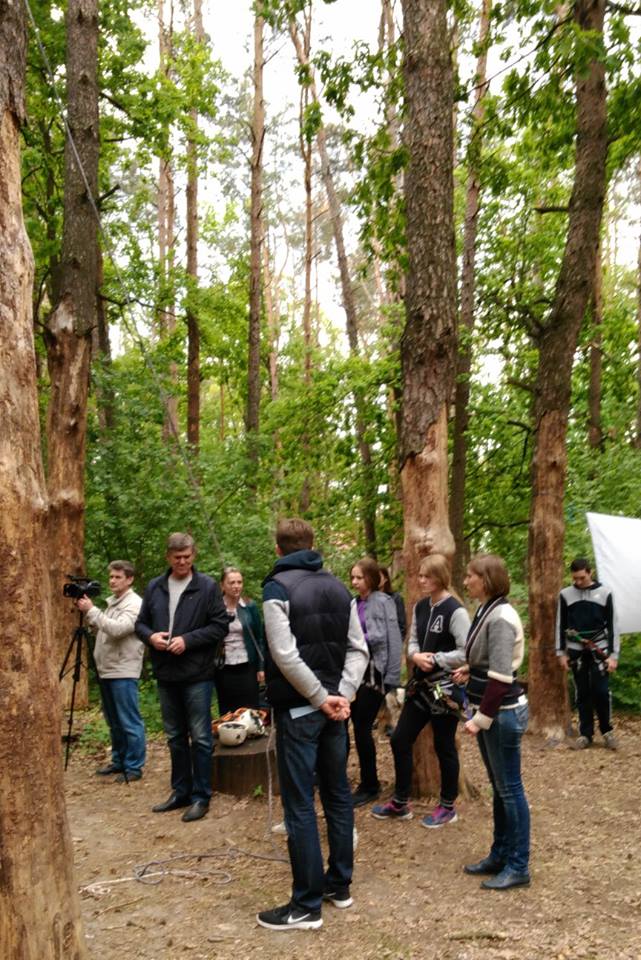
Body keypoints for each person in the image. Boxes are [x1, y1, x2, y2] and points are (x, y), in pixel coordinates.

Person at [257, 518, 368, 931]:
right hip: (331, 710)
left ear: (279, 550)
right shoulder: (339, 587)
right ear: (312, 545)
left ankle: (307, 905)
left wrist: (331, 698)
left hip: (307, 714)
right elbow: (359, 650)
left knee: (303, 804)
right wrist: (341, 696)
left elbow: (283, 656)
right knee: (337, 796)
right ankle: (336, 886)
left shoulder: (277, 589)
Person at [135, 532, 229, 822]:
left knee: (200, 737)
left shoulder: (207, 586)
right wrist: (151, 637)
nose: (182, 562)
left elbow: (219, 626)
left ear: (194, 555)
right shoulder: (155, 587)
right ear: (168, 557)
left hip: (197, 673)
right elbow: (140, 624)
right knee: (175, 736)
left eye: (187, 557)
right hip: (166, 673)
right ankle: (180, 791)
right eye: (177, 558)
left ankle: (201, 796)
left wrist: (187, 640)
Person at [372, 554, 470, 826]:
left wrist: (437, 659)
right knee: (400, 738)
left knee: (444, 745)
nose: (422, 580)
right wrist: (415, 657)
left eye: (428, 576)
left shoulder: (456, 611)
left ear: (441, 577)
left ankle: (448, 806)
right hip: (420, 687)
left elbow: (467, 652)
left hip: (445, 690)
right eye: (421, 575)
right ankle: (400, 802)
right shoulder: (420, 607)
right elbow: (413, 640)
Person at [455, 553, 530, 891]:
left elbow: (501, 677)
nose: (466, 580)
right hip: (493, 714)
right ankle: (499, 855)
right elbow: (490, 659)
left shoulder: (499, 616)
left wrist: (480, 719)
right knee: (500, 789)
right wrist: (470, 669)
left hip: (502, 714)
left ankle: (518, 865)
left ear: (485, 579)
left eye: (471, 575)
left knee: (510, 790)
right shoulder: (487, 609)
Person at [77, 561, 145, 783]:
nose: (113, 580)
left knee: (128, 720)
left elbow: (118, 630)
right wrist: (92, 619)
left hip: (123, 670)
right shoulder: (113, 603)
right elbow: (105, 629)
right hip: (107, 669)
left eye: (117, 577)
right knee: (114, 720)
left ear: (129, 579)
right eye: (111, 577)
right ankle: (119, 761)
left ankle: (134, 766)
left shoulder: (135, 603)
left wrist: (92, 611)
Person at [349, 556, 403, 807]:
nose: (355, 582)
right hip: (355, 674)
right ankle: (367, 781)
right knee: (357, 728)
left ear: (371, 578)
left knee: (361, 726)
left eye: (359, 577)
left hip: (376, 675)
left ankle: (370, 785)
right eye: (353, 577)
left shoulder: (384, 602)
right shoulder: (353, 603)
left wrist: (391, 677)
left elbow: (392, 638)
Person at [557, 557, 619, 750]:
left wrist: (613, 655)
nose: (578, 582)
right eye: (575, 578)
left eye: (582, 578)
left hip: (599, 650)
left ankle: (607, 731)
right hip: (576, 651)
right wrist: (561, 653)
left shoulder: (605, 593)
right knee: (582, 693)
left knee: (601, 691)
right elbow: (560, 625)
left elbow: (613, 626)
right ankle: (586, 734)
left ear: (590, 573)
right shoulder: (565, 595)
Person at [215, 566, 266, 715]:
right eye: (232, 582)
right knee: (227, 710)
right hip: (223, 666)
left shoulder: (250, 607)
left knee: (250, 711)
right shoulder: (215, 607)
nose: (236, 586)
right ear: (222, 585)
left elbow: (260, 638)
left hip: (247, 665)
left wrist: (261, 667)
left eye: (239, 582)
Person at [379, 565, 407, 641]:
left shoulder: (396, 598)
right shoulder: (368, 599)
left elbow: (402, 626)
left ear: (385, 579)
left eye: (378, 577)